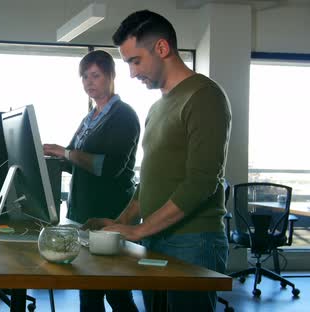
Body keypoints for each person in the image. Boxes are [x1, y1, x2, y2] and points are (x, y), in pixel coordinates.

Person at [83, 10, 232, 312]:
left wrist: (139, 230)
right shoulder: (157, 107)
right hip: (155, 237)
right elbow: (148, 180)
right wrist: (123, 222)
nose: (132, 73)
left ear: (162, 49)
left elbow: (202, 182)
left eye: (135, 61)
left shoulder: (204, 97)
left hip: (192, 241)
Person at [43, 50, 140, 312]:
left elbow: (109, 167)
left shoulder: (124, 116)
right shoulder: (89, 119)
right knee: (88, 291)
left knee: (117, 293)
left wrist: (65, 152)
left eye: (95, 75)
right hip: (82, 213)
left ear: (111, 76)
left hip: (110, 214)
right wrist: (47, 158)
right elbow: (74, 163)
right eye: (84, 77)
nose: (89, 82)